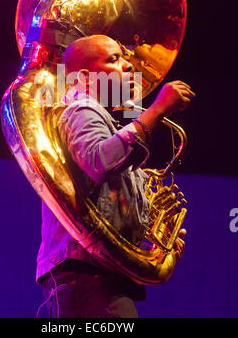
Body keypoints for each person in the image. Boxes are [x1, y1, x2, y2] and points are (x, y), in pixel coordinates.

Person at [36, 34, 195, 318]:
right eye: (114, 59)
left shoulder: (100, 119)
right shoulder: (82, 108)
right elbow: (99, 160)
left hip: (98, 275)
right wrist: (157, 109)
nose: (128, 66)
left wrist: (157, 242)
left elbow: (108, 197)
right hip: (88, 276)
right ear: (84, 77)